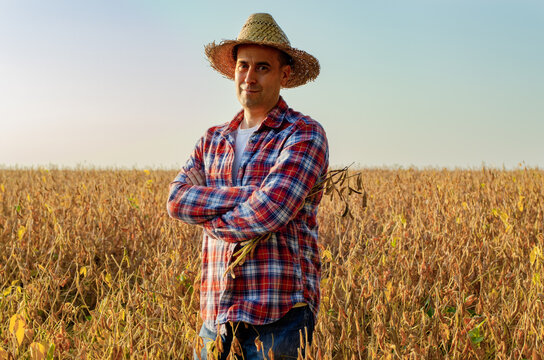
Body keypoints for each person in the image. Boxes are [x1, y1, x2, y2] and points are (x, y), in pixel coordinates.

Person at [167, 13, 329, 359]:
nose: (249, 77)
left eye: (262, 68)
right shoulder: (212, 140)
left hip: (278, 320)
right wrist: (249, 194)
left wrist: (209, 218)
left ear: (284, 74)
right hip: (216, 318)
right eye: (243, 66)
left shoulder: (303, 134)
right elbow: (177, 200)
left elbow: (270, 210)